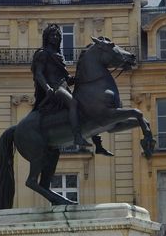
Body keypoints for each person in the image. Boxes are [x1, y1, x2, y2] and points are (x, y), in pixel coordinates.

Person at [31, 24, 112, 155]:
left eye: (58, 35)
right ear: (46, 37)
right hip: (55, 88)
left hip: (63, 86)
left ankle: (98, 145)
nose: (55, 37)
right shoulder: (42, 54)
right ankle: (77, 137)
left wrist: (81, 78)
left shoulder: (58, 55)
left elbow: (66, 77)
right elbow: (39, 74)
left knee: (87, 107)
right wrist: (47, 88)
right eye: (52, 35)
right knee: (74, 103)